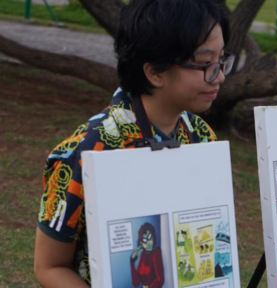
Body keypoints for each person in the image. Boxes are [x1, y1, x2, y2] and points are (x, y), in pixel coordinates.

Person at [33, 0, 234, 286]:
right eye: (205, 65)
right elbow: (49, 266)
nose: (221, 76)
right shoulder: (88, 149)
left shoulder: (201, 136)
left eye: (221, 60)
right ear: (155, 72)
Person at [131, 222, 164, 288]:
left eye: (150, 238)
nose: (148, 242)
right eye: (145, 240)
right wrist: (132, 262)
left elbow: (160, 280)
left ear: (153, 237)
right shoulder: (143, 255)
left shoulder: (156, 252)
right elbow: (136, 282)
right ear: (141, 243)